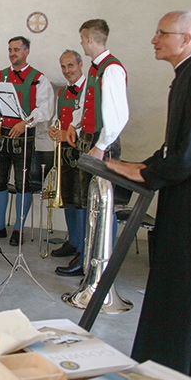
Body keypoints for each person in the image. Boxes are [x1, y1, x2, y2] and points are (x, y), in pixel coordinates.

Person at [106, 11, 191, 380]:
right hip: (189, 200)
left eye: (162, 33)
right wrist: (142, 165)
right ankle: (166, 364)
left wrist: (145, 174)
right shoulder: (190, 75)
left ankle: (182, 369)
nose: (154, 39)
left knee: (189, 286)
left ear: (187, 39)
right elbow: (174, 146)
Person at [56, 19, 129, 276]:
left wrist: (101, 145)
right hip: (89, 139)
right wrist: (74, 125)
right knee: (87, 203)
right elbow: (85, 104)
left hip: (102, 143)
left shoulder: (112, 69)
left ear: (89, 39)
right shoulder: (96, 69)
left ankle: (100, 263)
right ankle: (86, 257)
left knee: (101, 204)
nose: (81, 43)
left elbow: (119, 116)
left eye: (81, 39)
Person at [0, 36, 54, 246]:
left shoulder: (39, 79)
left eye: (17, 50)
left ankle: (19, 228)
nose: (13, 53)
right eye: (10, 50)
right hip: (1, 136)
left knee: (23, 184)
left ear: (26, 51)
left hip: (24, 136)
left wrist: (26, 122)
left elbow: (46, 110)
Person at [47, 51, 87, 269]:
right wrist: (54, 129)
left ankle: (82, 249)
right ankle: (72, 241)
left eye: (70, 65)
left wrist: (70, 134)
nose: (67, 70)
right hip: (64, 152)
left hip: (81, 152)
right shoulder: (63, 91)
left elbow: (90, 122)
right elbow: (58, 117)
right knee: (68, 199)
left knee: (80, 201)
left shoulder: (89, 90)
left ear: (80, 64)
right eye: (63, 66)